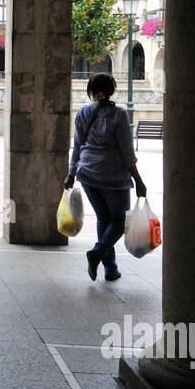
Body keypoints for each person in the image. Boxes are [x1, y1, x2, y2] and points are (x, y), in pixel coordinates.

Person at [64, 73, 148, 282]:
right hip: (114, 177)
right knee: (119, 222)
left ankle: (110, 269)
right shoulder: (119, 115)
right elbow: (127, 153)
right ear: (111, 91)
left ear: (91, 92)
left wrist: (71, 173)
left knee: (104, 219)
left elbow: (77, 147)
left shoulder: (82, 113)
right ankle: (98, 253)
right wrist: (138, 181)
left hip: (88, 173)